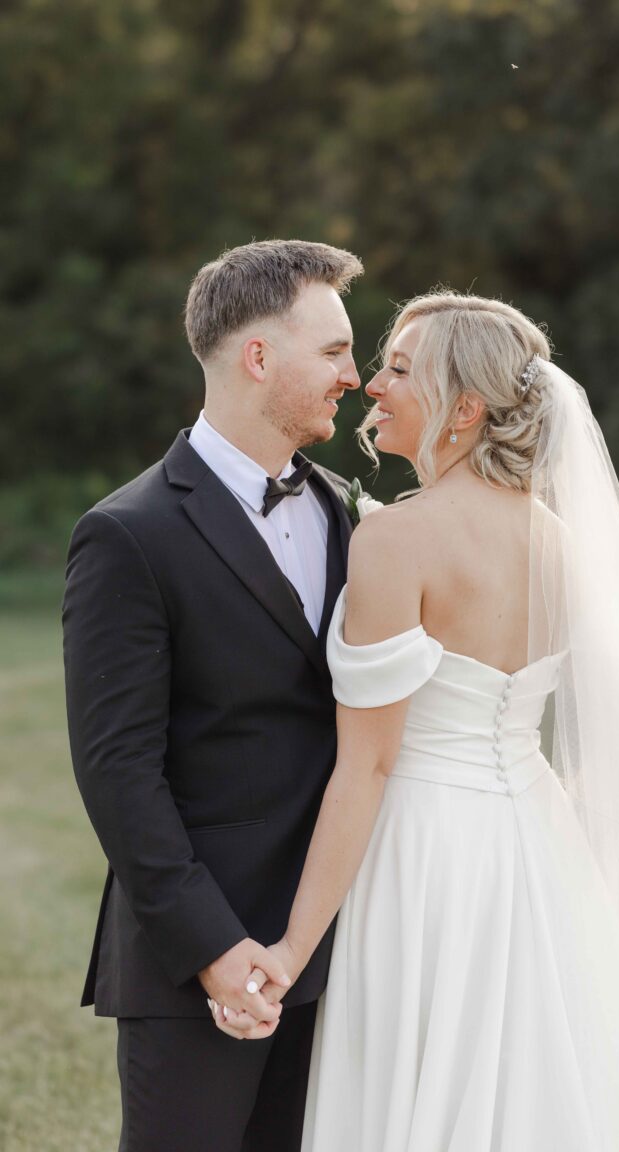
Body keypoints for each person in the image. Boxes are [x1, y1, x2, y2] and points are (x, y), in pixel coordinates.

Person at [213, 291, 619, 1152]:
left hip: (426, 856)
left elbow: (368, 767)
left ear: (465, 408)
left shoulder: (395, 543)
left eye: (399, 370)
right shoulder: (560, 544)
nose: (371, 384)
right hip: (537, 845)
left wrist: (290, 950)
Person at [62, 238, 363, 1152]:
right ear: (258, 357)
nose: (355, 375)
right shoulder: (129, 533)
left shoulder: (345, 508)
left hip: (336, 946)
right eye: (336, 351)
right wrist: (214, 950)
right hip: (199, 957)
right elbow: (118, 771)